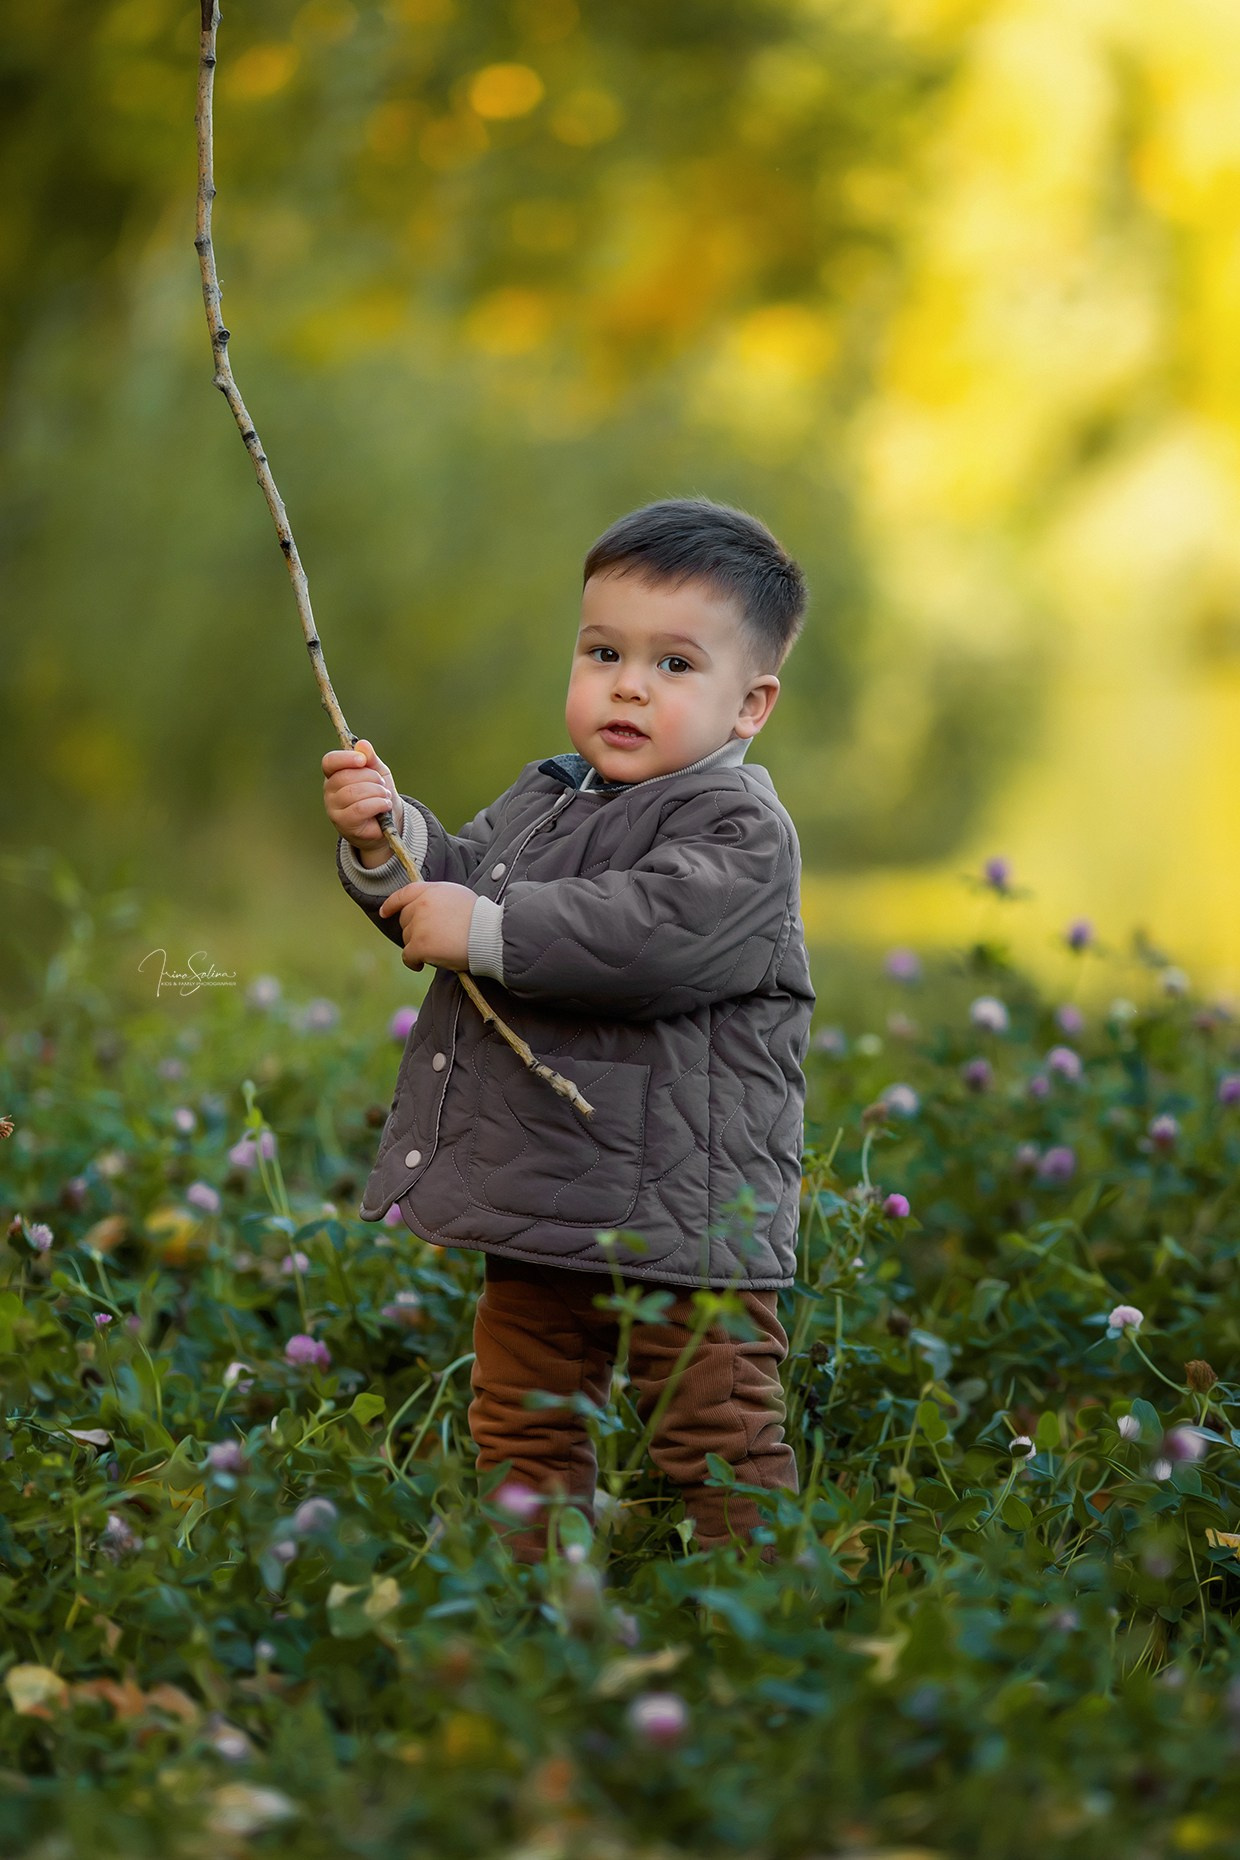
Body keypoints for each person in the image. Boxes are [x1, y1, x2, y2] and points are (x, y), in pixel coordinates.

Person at [322, 496, 815, 1562]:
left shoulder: (739, 831)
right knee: (524, 1426)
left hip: (687, 1230)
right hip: (541, 1201)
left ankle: (769, 1619)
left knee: (715, 1433)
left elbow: (647, 936)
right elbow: (448, 897)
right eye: (603, 651)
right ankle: (533, 1607)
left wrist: (487, 928)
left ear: (750, 704)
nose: (628, 684)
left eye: (675, 665)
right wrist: (389, 841)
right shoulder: (546, 800)